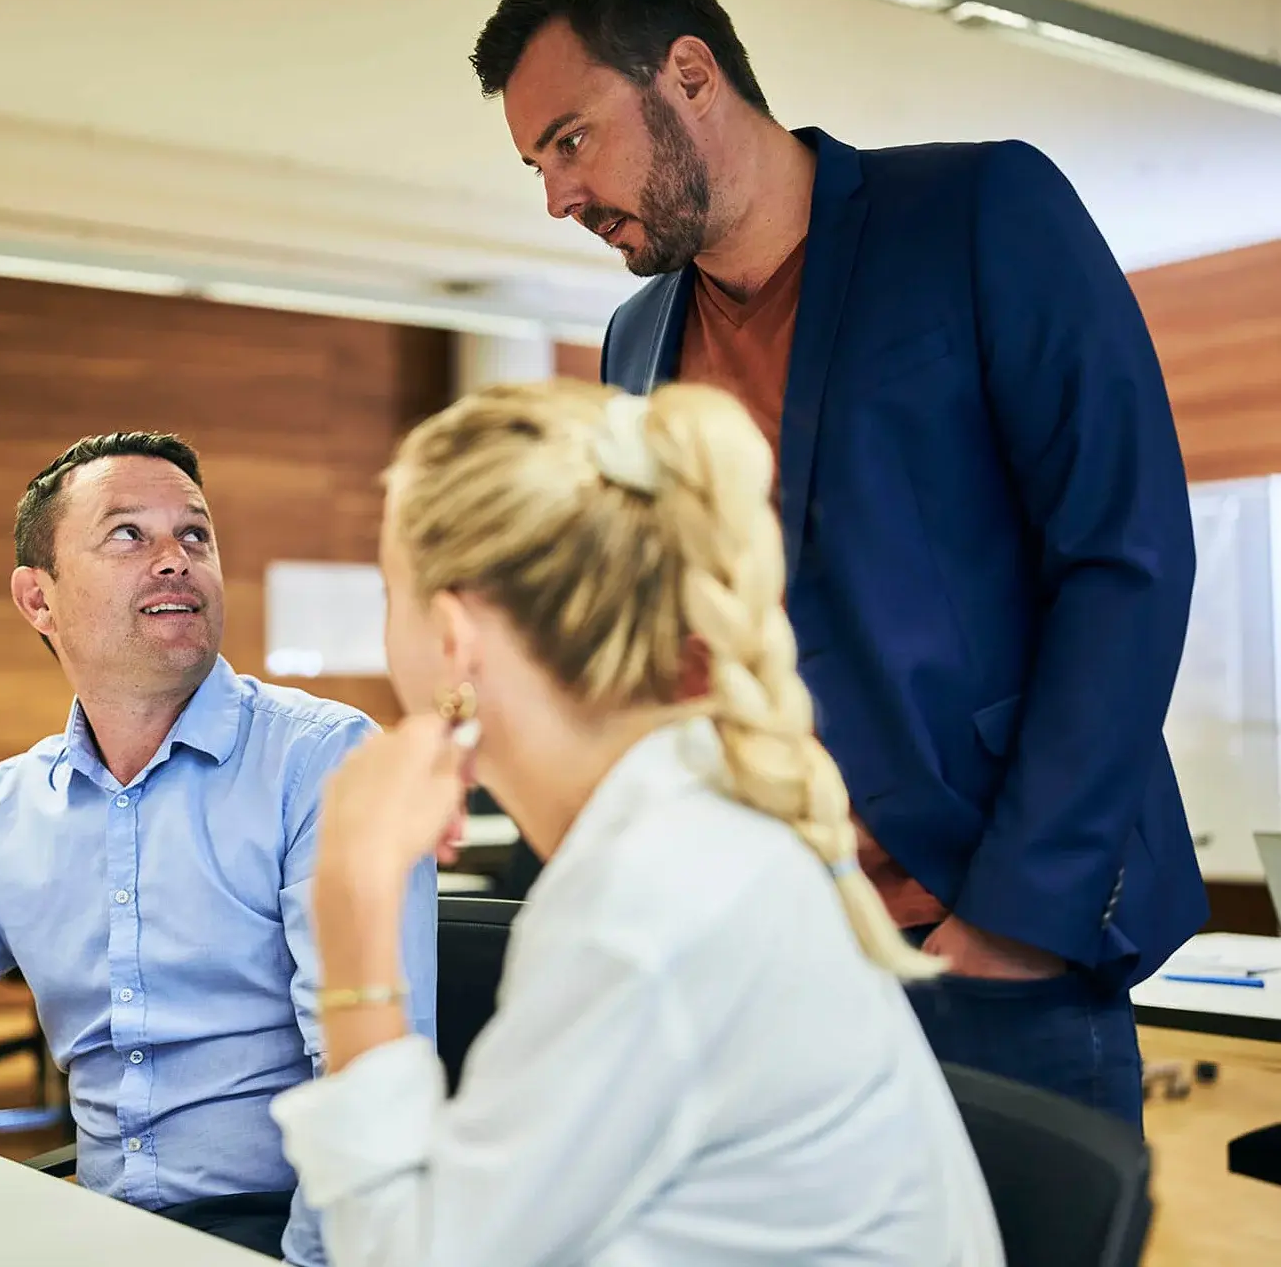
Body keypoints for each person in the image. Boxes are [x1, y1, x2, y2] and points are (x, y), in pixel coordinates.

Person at [468, 0, 1202, 1125]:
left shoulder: (978, 210)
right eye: (537, 167)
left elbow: (1125, 554)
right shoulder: (633, 340)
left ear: (692, 74)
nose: (561, 196)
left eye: (571, 140)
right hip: (762, 957)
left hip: (985, 934)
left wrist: (1016, 920)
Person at [270, 378, 1002, 1266]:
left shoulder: (641, 906)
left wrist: (352, 897)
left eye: (391, 592)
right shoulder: (686, 823)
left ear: (455, 642)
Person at [0, 431, 438, 1264]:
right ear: (38, 599)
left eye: (195, 534)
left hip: (274, 1228)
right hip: (98, 1227)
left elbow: (365, 1089)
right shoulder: (7, 809)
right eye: (129, 534)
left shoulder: (322, 762)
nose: (175, 559)